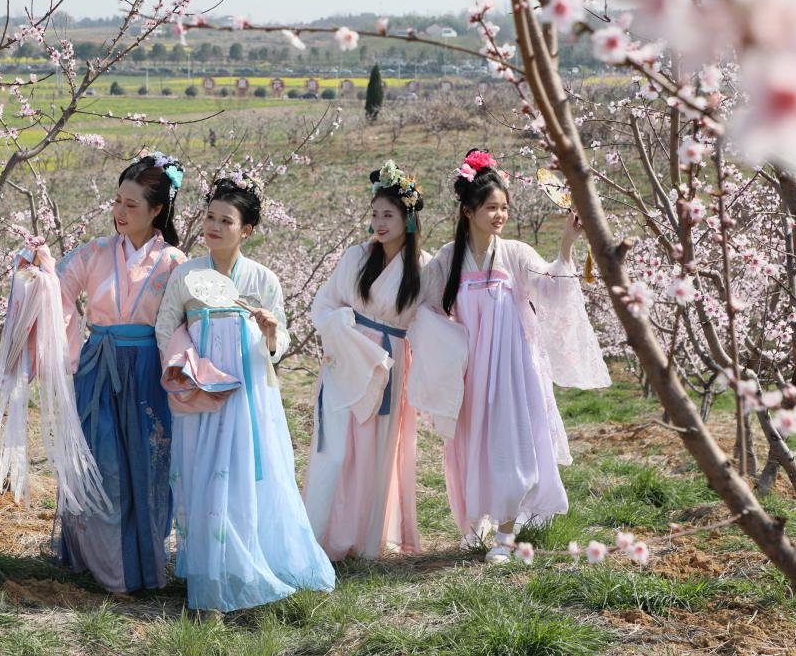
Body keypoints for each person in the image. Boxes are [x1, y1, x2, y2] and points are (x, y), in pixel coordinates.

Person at [155, 171, 335, 611]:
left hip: (250, 396)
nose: (214, 227)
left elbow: (278, 346)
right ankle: (210, 579)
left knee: (247, 477)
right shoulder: (187, 275)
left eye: (226, 221)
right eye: (210, 217)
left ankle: (250, 564)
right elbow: (165, 328)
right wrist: (189, 372)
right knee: (201, 477)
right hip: (202, 393)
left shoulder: (263, 280)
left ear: (247, 230)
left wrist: (271, 333)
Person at [421, 149, 610, 561]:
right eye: (491, 207)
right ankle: (478, 522)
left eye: (504, 207)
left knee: (510, 446)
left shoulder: (516, 254)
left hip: (512, 369)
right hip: (469, 372)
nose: (500, 215)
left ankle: (506, 538)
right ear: (469, 210)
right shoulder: (449, 259)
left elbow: (554, 290)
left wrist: (567, 244)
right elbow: (426, 305)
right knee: (471, 447)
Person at [49, 151, 188, 593]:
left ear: (157, 210)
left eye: (132, 205)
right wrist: (35, 271)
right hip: (98, 368)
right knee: (100, 464)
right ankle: (100, 564)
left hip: (148, 370)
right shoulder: (94, 252)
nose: (120, 213)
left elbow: (186, 321)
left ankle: (143, 567)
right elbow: (58, 289)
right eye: (117, 202)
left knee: (149, 467)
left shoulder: (174, 263)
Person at [303, 160, 433, 560]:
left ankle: (364, 537)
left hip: (390, 364)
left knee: (376, 451)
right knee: (338, 449)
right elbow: (324, 303)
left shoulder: (423, 267)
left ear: (407, 219)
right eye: (375, 214)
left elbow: (432, 320)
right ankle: (322, 535)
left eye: (388, 215)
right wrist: (340, 328)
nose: (379, 222)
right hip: (347, 357)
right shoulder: (356, 257)